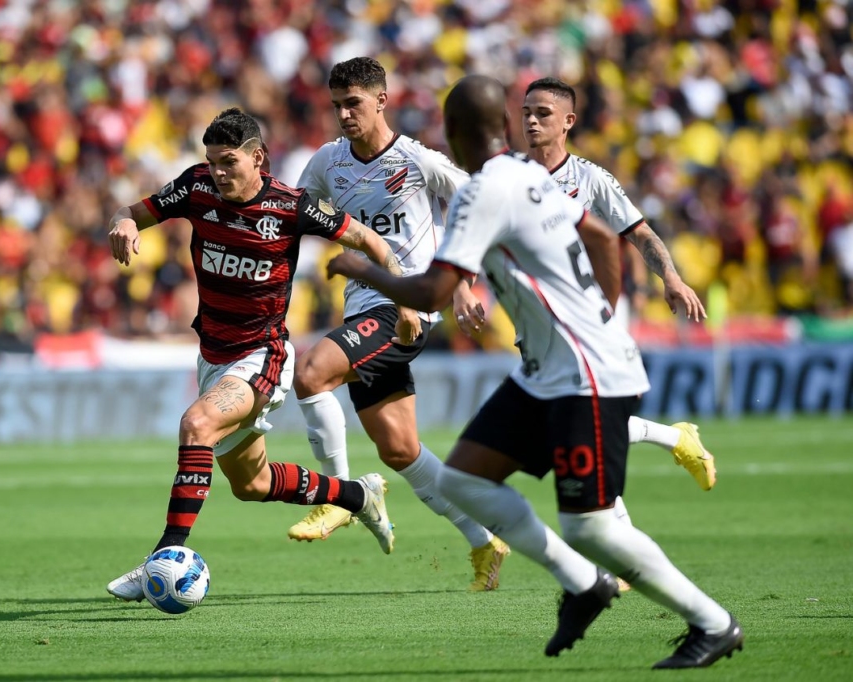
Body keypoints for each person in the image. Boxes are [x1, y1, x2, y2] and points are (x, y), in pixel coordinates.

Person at [327, 75, 744, 669]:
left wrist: (361, 269)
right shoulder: (528, 175)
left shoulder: (486, 189)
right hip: (547, 369)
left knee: (592, 528)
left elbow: (432, 288)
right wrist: (604, 309)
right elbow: (601, 237)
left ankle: (713, 622)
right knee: (463, 480)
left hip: (583, 370)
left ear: (452, 132)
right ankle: (585, 585)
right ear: (503, 121)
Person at [104, 108, 400, 602]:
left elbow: (368, 240)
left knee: (196, 425)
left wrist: (400, 294)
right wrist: (124, 224)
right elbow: (132, 212)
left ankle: (165, 555)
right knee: (253, 483)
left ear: (258, 157)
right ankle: (357, 494)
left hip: (262, 355)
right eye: (213, 162)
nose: (219, 172)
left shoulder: (293, 206)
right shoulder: (196, 188)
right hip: (214, 358)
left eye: (229, 162)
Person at [288, 57, 510, 591]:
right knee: (401, 450)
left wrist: (457, 283)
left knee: (311, 372)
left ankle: (339, 497)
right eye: (337, 104)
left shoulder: (417, 161)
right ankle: (484, 540)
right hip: (363, 310)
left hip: (406, 309)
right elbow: (294, 214)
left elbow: (475, 207)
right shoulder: (326, 164)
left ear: (382, 100)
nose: (344, 114)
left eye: (354, 103)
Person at [521, 77, 717, 492]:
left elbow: (640, 233)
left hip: (581, 314)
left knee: (572, 424)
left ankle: (606, 537)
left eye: (543, 114)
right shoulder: (510, 178)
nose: (532, 122)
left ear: (568, 121)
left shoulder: (590, 179)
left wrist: (671, 277)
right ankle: (673, 439)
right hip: (533, 316)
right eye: (526, 113)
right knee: (561, 427)